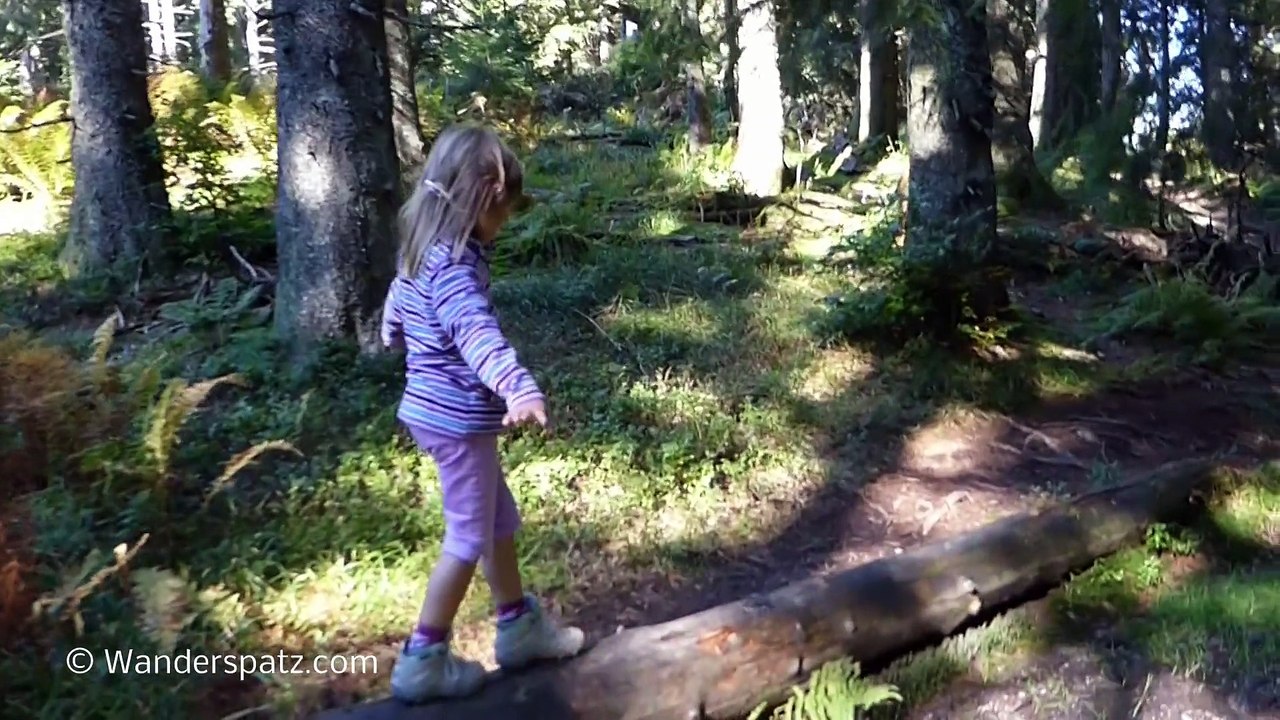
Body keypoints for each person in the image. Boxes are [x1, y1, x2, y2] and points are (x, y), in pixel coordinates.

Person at [380, 124, 584, 703]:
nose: (505, 225)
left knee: (497, 524)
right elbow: (477, 334)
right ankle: (422, 658)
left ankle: (517, 626)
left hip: (438, 410)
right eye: (504, 212)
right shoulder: (453, 269)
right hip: (457, 419)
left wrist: (392, 330)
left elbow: (398, 296)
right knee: (467, 536)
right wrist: (518, 389)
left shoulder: (424, 247)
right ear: (482, 200)